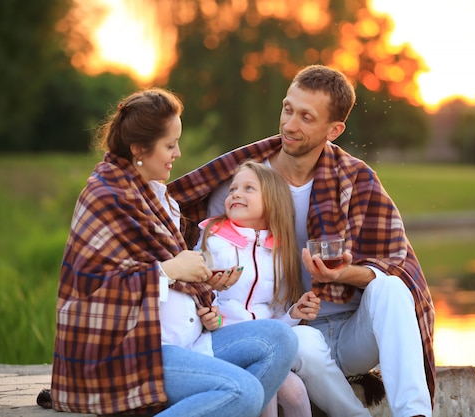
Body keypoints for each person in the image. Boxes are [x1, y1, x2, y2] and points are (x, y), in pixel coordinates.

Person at [168, 65, 436, 417]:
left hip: (353, 333)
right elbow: (199, 251)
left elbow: (396, 264)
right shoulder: (245, 182)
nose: (290, 125)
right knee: (301, 342)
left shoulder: (356, 181)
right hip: (289, 330)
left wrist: (343, 274)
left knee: (393, 288)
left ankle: (415, 414)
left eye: (306, 117)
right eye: (287, 109)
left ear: (334, 129)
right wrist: (211, 281)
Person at [49, 88, 298, 417]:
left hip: (191, 342)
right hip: (137, 351)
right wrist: (170, 271)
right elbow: (92, 293)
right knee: (244, 390)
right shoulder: (105, 196)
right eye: (170, 144)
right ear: (139, 148)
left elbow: (172, 273)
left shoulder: (157, 196)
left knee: (281, 339)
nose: (178, 153)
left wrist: (204, 290)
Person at [196, 161, 321, 417]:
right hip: (223, 341)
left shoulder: (280, 252)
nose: (235, 194)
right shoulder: (213, 237)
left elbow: (276, 319)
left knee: (296, 392)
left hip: (266, 344)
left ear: (271, 201)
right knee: (268, 389)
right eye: (233, 189)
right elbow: (198, 290)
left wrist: (294, 314)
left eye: (248, 188)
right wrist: (209, 315)